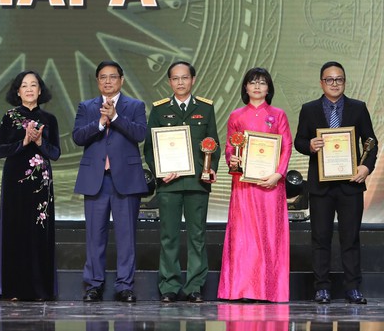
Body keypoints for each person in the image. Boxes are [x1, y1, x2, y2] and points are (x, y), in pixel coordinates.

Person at [294, 61, 378, 305]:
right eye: (329, 79)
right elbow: (299, 141)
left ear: (345, 82)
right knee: (320, 238)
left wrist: (366, 167)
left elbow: (371, 142)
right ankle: (322, 288)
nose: (334, 83)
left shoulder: (358, 108)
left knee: (350, 238)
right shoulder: (309, 109)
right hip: (320, 186)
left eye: (339, 79)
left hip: (350, 185)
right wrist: (310, 145)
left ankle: (353, 288)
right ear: (321, 83)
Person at [143, 61, 219, 303]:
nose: (180, 82)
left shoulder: (205, 108)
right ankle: (169, 285)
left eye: (184, 77)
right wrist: (159, 172)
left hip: (197, 183)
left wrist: (211, 169)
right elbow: (149, 148)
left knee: (197, 236)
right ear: (169, 82)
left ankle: (195, 286)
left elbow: (213, 144)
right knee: (169, 236)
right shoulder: (159, 110)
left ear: (193, 80)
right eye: (175, 78)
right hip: (170, 184)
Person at [73, 60, 148, 303]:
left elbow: (140, 134)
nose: (108, 81)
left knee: (126, 237)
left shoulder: (135, 105)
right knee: (95, 236)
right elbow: (78, 137)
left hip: (126, 179)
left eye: (113, 77)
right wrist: (99, 123)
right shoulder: (86, 107)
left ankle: (125, 285)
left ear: (121, 80)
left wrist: (115, 118)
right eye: (103, 77)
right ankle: (94, 285)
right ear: (97, 81)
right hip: (96, 180)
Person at [218, 67, 292, 303]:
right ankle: (243, 289)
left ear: (269, 88)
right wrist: (233, 159)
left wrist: (278, 175)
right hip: (244, 185)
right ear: (245, 87)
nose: (257, 86)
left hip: (271, 185)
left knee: (269, 233)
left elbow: (286, 146)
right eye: (252, 82)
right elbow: (230, 147)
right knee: (245, 235)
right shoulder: (236, 116)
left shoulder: (278, 115)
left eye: (262, 82)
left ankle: (270, 290)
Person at [0, 70, 60, 300]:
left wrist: (40, 141)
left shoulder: (49, 119)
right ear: (18, 91)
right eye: (24, 85)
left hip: (41, 182)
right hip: (14, 180)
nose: (29, 89)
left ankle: (41, 290)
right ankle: (14, 289)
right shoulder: (9, 117)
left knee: (39, 233)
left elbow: (55, 153)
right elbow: (0, 151)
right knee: (16, 231)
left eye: (34, 85)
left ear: (40, 90)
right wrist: (23, 141)